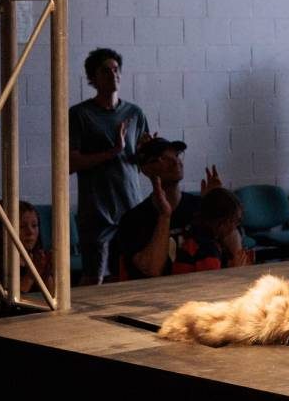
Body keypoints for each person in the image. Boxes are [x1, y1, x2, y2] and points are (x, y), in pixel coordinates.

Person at [68, 49, 147, 286]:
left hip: (131, 207)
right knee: (95, 278)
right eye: (105, 71)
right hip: (97, 212)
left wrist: (152, 154)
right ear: (93, 78)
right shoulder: (80, 114)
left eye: (116, 69)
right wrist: (113, 151)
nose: (113, 74)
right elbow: (70, 163)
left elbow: (141, 159)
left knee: (132, 273)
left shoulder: (134, 113)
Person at [115, 137, 218, 280]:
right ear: (145, 169)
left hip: (200, 287)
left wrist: (218, 206)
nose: (175, 161)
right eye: (163, 158)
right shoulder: (133, 220)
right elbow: (152, 269)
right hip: (155, 291)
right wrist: (164, 217)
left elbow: (235, 250)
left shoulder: (199, 205)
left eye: (176, 155)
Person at [171, 186, 254, 275]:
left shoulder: (197, 236)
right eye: (232, 221)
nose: (234, 228)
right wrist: (235, 270)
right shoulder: (207, 248)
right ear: (221, 222)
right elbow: (212, 280)